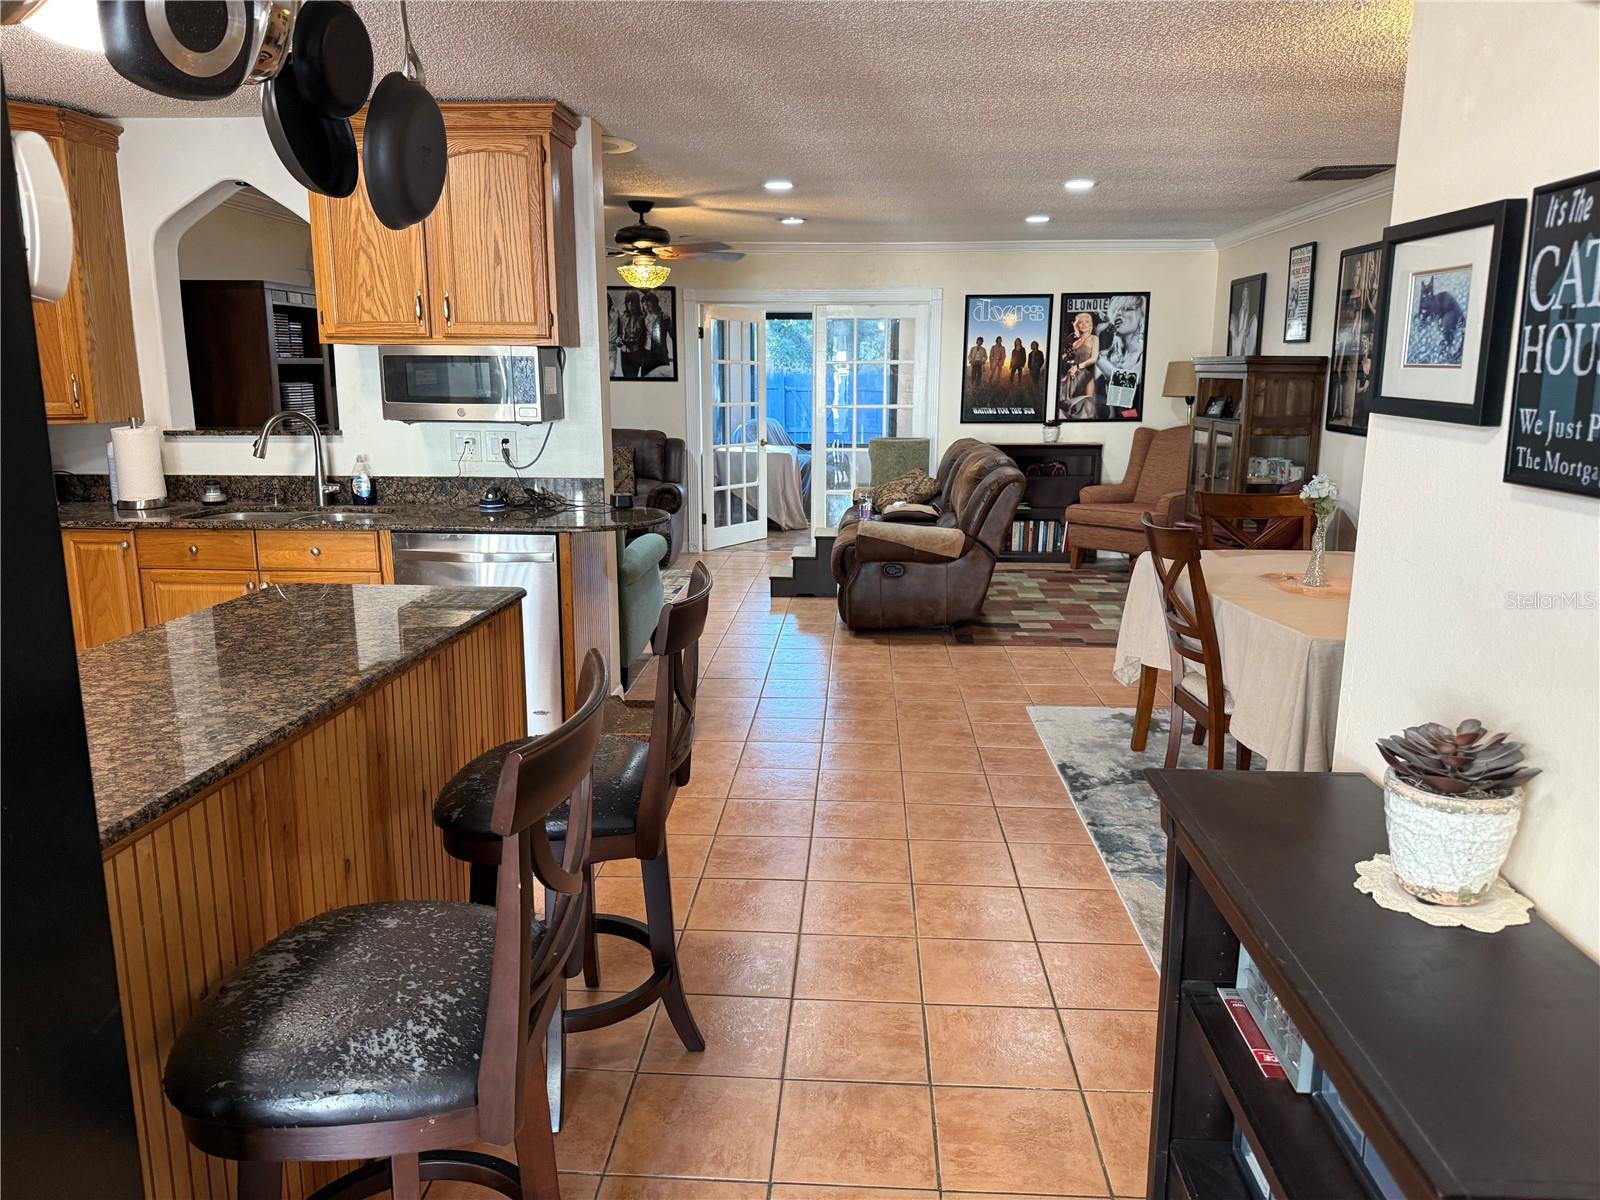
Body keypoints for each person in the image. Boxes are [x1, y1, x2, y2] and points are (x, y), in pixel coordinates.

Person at [1057, 311, 1100, 420]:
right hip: (1072, 375)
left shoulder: (1094, 338)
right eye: (1081, 322)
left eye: (1087, 321)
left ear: (1091, 324)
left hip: (1087, 375)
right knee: (1068, 405)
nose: (1084, 324)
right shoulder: (1075, 343)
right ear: (1077, 326)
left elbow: (1093, 359)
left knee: (1086, 405)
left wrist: (1077, 367)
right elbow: (1070, 358)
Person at [642, 290, 675, 377]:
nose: (647, 305)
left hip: (660, 356)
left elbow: (673, 335)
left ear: (654, 303)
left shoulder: (663, 317)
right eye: (645, 303)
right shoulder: (643, 319)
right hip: (646, 356)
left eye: (649, 302)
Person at [617, 290, 648, 380]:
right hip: (623, 353)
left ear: (636, 303)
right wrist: (618, 340)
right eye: (628, 301)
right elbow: (619, 334)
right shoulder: (622, 317)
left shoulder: (642, 318)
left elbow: (644, 338)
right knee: (626, 379)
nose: (630, 304)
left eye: (632, 301)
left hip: (635, 353)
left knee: (632, 378)